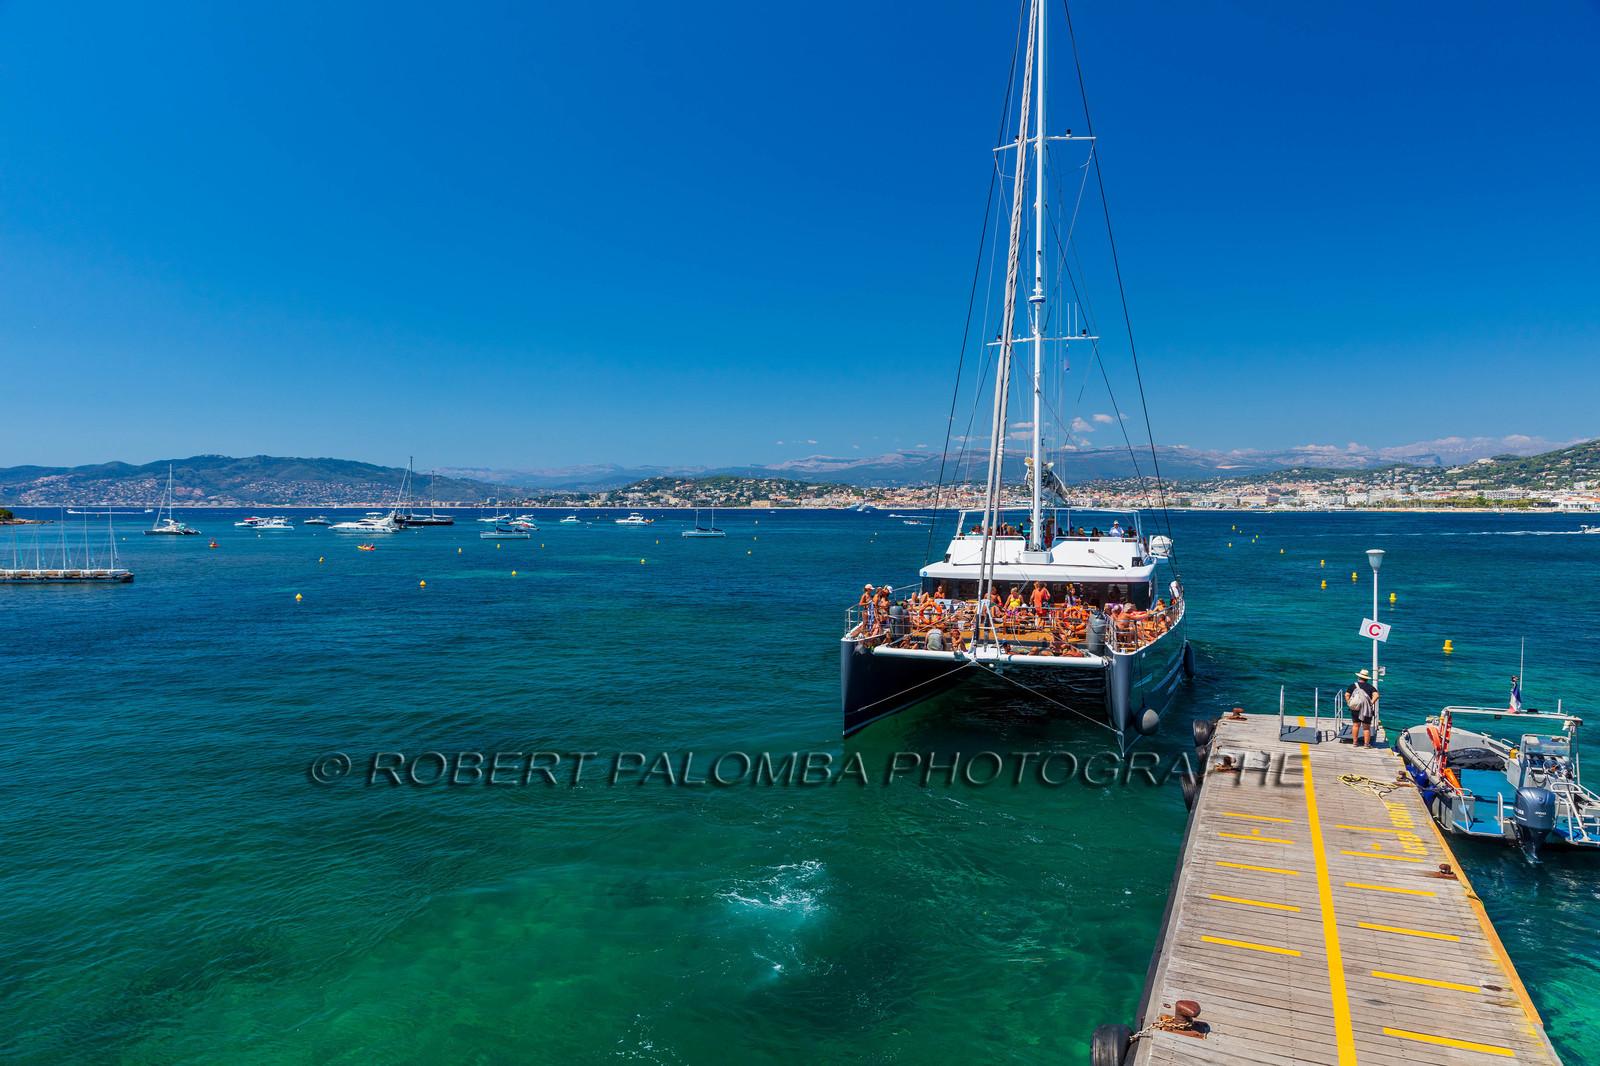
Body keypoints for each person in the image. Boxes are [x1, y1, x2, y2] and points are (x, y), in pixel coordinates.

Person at [1345, 669, 1379, 746]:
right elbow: (1376, 695)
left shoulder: (1353, 685)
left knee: (1356, 725)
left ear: (1359, 678)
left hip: (1355, 708)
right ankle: (1366, 744)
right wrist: (1370, 703)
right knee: (1366, 727)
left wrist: (1349, 703)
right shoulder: (1371, 687)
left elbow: (1346, 695)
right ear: (1367, 679)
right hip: (1366, 709)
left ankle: (1355, 742)